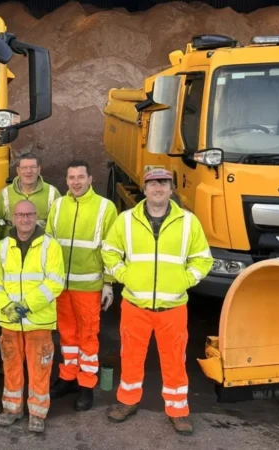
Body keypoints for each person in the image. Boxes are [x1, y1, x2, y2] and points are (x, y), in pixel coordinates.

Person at [101, 168, 212, 435]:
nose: (158, 188)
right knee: (130, 357)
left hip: (172, 307)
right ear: (144, 189)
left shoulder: (188, 222)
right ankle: (127, 401)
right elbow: (110, 252)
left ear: (172, 189)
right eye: (153, 184)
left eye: (163, 183)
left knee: (175, 361)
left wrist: (184, 280)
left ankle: (178, 410)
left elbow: (203, 259)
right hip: (135, 305)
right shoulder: (126, 220)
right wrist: (124, 276)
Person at [45, 160, 118, 411]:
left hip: (89, 287)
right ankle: (68, 377)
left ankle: (86, 384)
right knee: (67, 335)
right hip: (61, 287)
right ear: (66, 180)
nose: (75, 182)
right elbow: (48, 245)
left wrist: (108, 283)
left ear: (90, 180)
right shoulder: (58, 205)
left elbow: (111, 249)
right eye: (71, 177)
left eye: (80, 177)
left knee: (88, 336)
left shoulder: (105, 207)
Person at [0, 200, 65, 433]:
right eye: (20, 215)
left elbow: (55, 282)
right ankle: (12, 408)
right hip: (9, 320)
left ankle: (37, 413)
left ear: (36, 216)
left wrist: (24, 306)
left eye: (29, 214)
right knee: (10, 365)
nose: (25, 219)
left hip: (38, 321)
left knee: (40, 368)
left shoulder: (50, 246)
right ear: (13, 218)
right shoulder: (2, 246)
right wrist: (5, 306)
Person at [0, 152, 59, 237]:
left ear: (39, 169)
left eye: (33, 167)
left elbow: (57, 226)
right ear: (18, 171)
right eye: (24, 167)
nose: (29, 171)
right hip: (11, 244)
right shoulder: (4, 194)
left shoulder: (52, 193)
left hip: (41, 244)